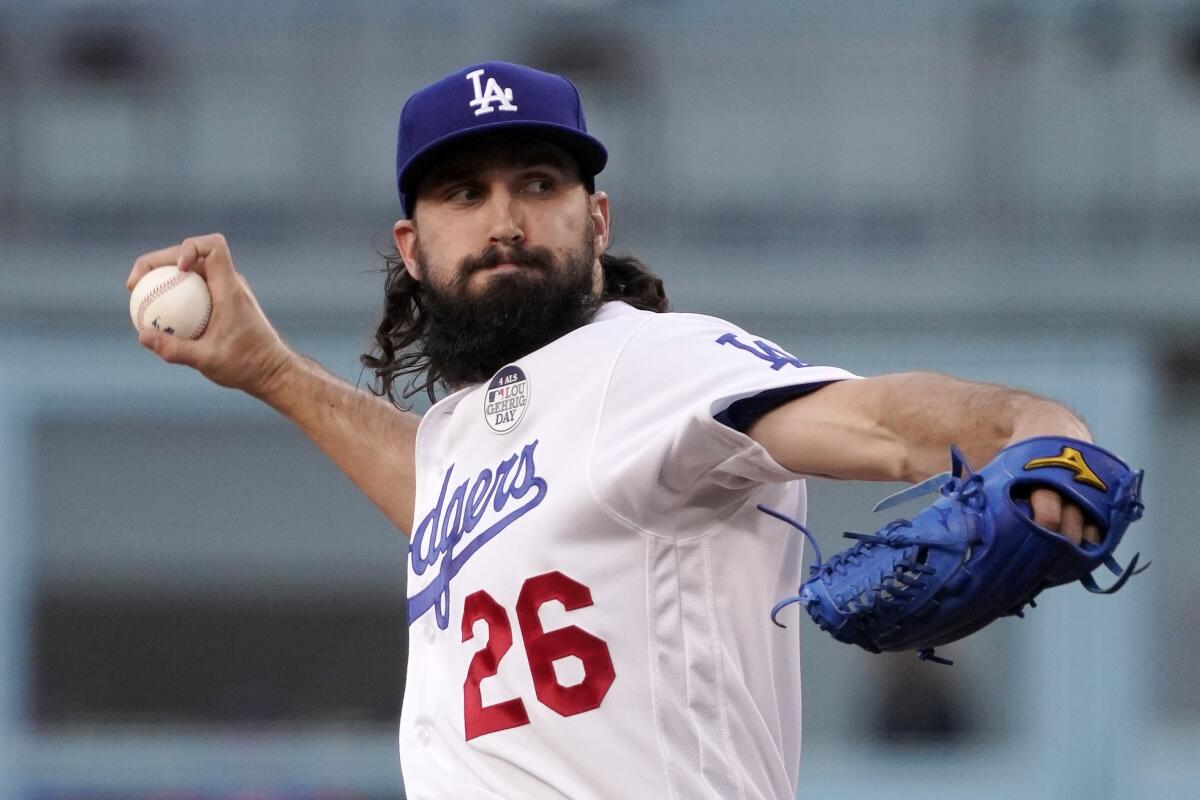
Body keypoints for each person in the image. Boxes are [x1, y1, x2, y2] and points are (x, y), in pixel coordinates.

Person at [127, 61, 1100, 800]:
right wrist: (268, 369)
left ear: (596, 219)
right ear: (412, 248)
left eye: (537, 184)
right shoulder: (482, 429)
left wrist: (1037, 426)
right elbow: (435, 488)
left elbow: (879, 421)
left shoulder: (659, 365)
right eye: (466, 193)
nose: (505, 218)